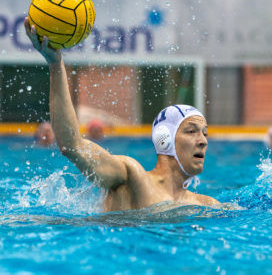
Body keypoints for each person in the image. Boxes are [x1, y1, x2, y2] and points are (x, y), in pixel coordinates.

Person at [24, 18, 219, 212]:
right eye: (192, 131)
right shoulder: (130, 176)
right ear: (164, 139)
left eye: (205, 133)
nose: (203, 141)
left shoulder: (206, 204)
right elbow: (72, 145)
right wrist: (55, 64)